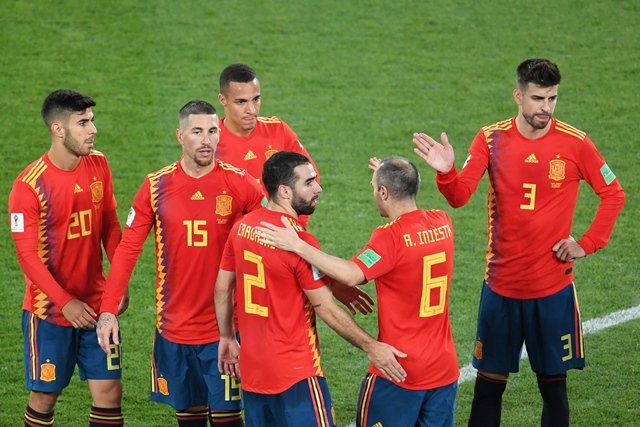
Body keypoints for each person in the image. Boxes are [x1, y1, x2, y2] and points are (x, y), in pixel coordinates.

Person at [412, 58, 626, 427]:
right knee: (489, 387)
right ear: (518, 96)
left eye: (552, 98)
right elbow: (460, 195)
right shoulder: (490, 138)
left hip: (553, 288)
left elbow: (614, 193)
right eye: (538, 98)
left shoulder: (576, 143)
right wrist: (447, 171)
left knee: (553, 388)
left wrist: (587, 242)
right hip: (502, 287)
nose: (546, 107)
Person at [96, 100, 266, 427]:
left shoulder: (241, 184)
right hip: (174, 328)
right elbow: (128, 248)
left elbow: (273, 237)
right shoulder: (155, 186)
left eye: (213, 131)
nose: (206, 140)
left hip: (226, 329)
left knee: (228, 418)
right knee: (188, 416)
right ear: (180, 136)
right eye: (197, 132)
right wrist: (107, 310)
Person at [255, 156, 460, 427]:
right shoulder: (442, 223)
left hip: (399, 369)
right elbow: (403, 193)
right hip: (444, 368)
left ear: (383, 193)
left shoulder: (391, 238)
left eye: (375, 187)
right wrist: (388, 177)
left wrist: (298, 245)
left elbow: (352, 275)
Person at [214, 151, 407, 426]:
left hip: (254, 374)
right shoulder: (297, 241)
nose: (318, 188)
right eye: (308, 182)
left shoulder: (242, 228)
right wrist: (371, 346)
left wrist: (226, 338)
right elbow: (325, 308)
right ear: (284, 191)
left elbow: (223, 288)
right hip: (296, 374)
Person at [9, 89, 125, 427]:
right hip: (48, 313)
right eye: (83, 123)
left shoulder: (99, 163)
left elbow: (110, 224)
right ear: (58, 129)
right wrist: (66, 302)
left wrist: (116, 283)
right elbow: (28, 257)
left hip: (98, 307)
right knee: (44, 397)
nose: (93, 129)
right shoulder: (29, 187)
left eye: (92, 120)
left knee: (109, 393)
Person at [216, 63, 320, 227]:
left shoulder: (277, 129)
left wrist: (296, 226)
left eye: (256, 99)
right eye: (241, 102)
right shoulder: (209, 142)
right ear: (223, 100)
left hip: (280, 234)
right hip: (232, 239)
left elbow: (310, 178)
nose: (251, 109)